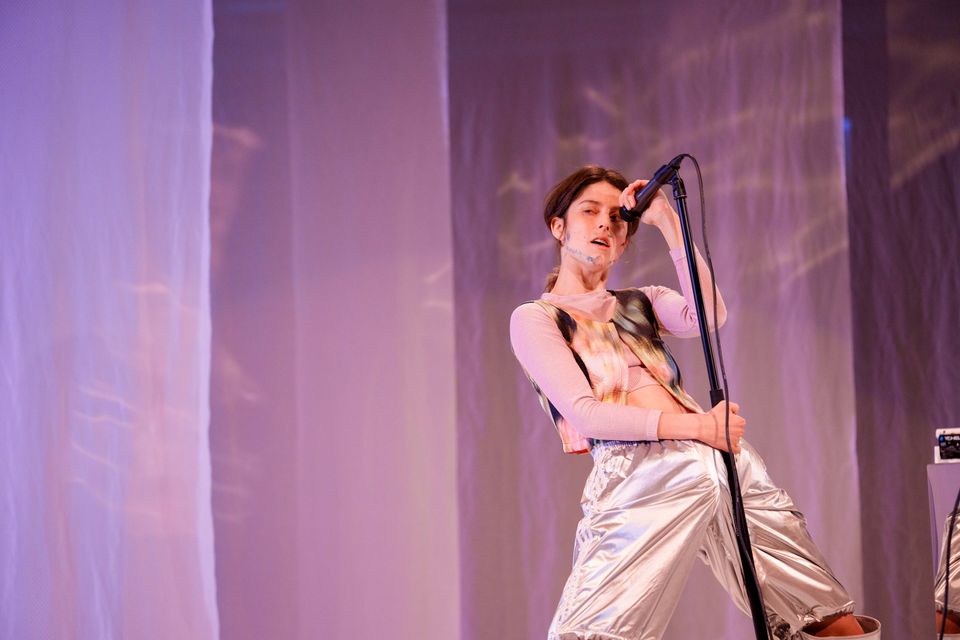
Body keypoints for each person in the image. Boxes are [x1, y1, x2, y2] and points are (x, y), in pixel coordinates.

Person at [509, 166, 878, 639]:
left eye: (617, 218)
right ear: (558, 227)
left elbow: (709, 315)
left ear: (624, 242)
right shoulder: (537, 318)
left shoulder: (642, 301)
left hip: (720, 458)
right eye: (589, 211)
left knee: (820, 613)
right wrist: (699, 427)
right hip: (639, 472)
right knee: (592, 631)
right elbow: (586, 414)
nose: (605, 223)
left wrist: (666, 220)